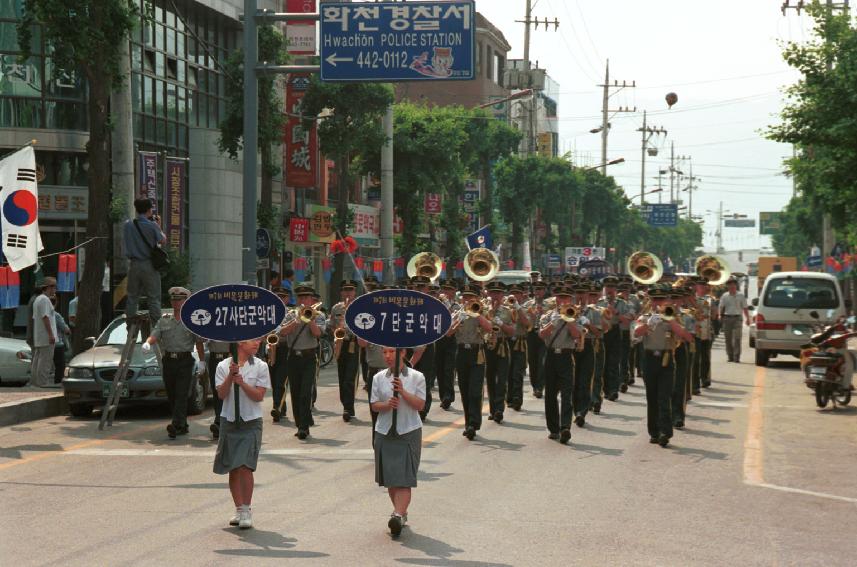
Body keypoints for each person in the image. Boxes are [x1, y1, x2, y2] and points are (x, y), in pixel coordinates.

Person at [213, 338, 270, 530]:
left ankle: (246, 509)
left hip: (251, 421)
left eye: (259, 340)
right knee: (233, 467)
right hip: (229, 420)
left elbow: (259, 396)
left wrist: (242, 383)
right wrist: (231, 376)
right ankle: (238, 509)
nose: (258, 343)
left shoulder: (260, 366)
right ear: (239, 343)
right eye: (253, 340)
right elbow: (221, 394)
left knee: (246, 466)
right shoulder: (222, 365)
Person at [370, 347, 426, 538]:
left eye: (391, 352)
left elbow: (420, 404)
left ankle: (397, 514)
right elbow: (374, 405)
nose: (387, 356)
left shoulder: (416, 376)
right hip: (385, 431)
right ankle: (400, 513)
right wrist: (386, 405)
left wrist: (402, 392)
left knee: (404, 478)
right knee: (392, 479)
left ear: (402, 353)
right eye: (384, 352)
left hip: (408, 430)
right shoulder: (378, 377)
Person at [142, 287, 205, 439]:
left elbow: (199, 342)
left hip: (185, 360)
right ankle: (182, 424)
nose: (177, 302)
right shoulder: (164, 319)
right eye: (174, 299)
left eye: (180, 300)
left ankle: (175, 425)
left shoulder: (192, 319)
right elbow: (155, 335)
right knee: (171, 393)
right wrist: (147, 343)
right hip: (169, 360)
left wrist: (202, 361)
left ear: (186, 301)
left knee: (181, 393)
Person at [634, 288, 693, 447]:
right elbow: (636, 333)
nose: (658, 303)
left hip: (667, 359)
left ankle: (665, 432)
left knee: (664, 396)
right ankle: (654, 432)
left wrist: (670, 321)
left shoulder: (672, 315)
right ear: (651, 301)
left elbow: (687, 336)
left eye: (661, 300)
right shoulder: (645, 317)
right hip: (649, 359)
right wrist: (648, 323)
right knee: (651, 397)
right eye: (655, 300)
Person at [281, 285, 325, 440]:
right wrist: (297, 320)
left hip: (309, 357)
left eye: (306, 298)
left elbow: (318, 333)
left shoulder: (318, 314)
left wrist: (310, 319)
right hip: (293, 357)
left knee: (306, 393)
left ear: (312, 299)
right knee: (295, 392)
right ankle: (300, 422)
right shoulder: (290, 314)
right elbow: (282, 332)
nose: (303, 300)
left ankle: (303, 428)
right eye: (300, 297)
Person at [538, 285, 581, 444]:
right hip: (550, 356)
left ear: (570, 299)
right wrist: (553, 323)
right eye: (560, 297)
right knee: (550, 395)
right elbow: (541, 335)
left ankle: (565, 428)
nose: (562, 300)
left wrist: (568, 320)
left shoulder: (575, 315)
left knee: (567, 394)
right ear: (555, 299)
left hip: (566, 355)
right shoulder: (548, 315)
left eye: (566, 298)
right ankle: (553, 429)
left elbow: (577, 336)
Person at [449, 283, 493, 440]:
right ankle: (469, 423)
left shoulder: (483, 310)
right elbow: (448, 333)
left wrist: (477, 315)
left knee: (475, 390)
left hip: (477, 352)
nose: (467, 299)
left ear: (477, 298)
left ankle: (474, 423)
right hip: (461, 352)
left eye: (470, 297)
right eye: (465, 297)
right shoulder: (457, 312)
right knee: (464, 389)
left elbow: (489, 328)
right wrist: (458, 320)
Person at [123, 198, 166, 331]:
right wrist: (158, 225)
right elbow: (163, 240)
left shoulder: (128, 224)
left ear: (136, 209)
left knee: (132, 297)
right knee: (153, 298)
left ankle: (130, 325)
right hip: (149, 265)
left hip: (133, 265)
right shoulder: (152, 225)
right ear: (149, 210)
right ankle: (157, 328)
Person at [483, 281, 514, 424]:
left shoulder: (508, 311)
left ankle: (499, 409)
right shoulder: (482, 308)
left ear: (502, 295)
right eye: (493, 293)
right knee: (489, 378)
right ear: (488, 294)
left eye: (498, 293)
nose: (495, 296)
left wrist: (500, 323)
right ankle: (492, 409)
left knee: (501, 379)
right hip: (487, 345)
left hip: (501, 345)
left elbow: (512, 332)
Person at [331, 280, 359, 422]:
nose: (348, 292)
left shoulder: (360, 307)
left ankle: (348, 408)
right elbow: (331, 325)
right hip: (341, 343)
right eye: (345, 289)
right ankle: (345, 404)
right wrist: (337, 333)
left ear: (355, 292)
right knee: (342, 377)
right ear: (341, 292)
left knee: (349, 377)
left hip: (353, 344)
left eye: (351, 289)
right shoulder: (336, 308)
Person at [434, 279, 459, 410]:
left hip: (451, 340)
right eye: (444, 289)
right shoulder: (437, 304)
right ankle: (443, 395)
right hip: (438, 339)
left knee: (449, 369)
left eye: (449, 289)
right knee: (439, 369)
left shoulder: (457, 306)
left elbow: (454, 320)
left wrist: (448, 305)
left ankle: (448, 396)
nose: (446, 292)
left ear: (454, 291)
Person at [30, 278, 58, 387]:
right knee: (45, 361)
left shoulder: (38, 299)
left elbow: (47, 314)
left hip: (40, 336)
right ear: (48, 287)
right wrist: (51, 334)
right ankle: (42, 383)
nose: (55, 289)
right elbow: (45, 317)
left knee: (38, 360)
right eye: (54, 287)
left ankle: (35, 382)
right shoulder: (44, 300)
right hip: (46, 336)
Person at [719, 277, 750, 363]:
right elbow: (721, 307)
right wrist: (719, 316)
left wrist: (748, 318)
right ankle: (730, 356)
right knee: (728, 338)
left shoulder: (741, 295)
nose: (732, 287)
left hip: (737, 318)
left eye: (733, 285)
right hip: (727, 318)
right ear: (727, 286)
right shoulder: (724, 296)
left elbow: (745, 308)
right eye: (730, 285)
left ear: (736, 285)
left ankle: (737, 357)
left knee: (737, 338)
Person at [525, 281, 548, 399]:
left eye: (540, 289)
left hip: (543, 335)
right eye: (536, 289)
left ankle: (540, 387)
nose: (538, 292)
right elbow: (523, 320)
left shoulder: (549, 304)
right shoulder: (528, 304)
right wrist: (532, 317)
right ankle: (535, 386)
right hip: (531, 334)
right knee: (532, 362)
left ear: (544, 291)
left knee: (542, 362)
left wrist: (543, 313)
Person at [207, 340, 231, 440]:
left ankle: (221, 422)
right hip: (214, 358)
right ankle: (219, 421)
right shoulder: (211, 326)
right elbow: (201, 340)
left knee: (228, 392)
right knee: (217, 391)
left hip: (228, 357)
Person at [52, 297, 71, 384]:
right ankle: (58, 381)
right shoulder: (56, 315)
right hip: (58, 343)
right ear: (56, 303)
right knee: (60, 365)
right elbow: (66, 329)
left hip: (47, 343)